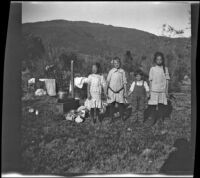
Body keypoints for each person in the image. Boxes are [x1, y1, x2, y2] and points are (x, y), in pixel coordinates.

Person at [148, 52, 170, 125]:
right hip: (154, 91)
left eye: (160, 59)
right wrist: (150, 91)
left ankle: (161, 119)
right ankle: (153, 119)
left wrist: (166, 91)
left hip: (162, 91)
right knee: (153, 106)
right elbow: (150, 81)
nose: (159, 61)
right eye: (157, 59)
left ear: (162, 60)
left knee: (161, 106)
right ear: (155, 60)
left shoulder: (165, 69)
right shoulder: (152, 69)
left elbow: (167, 80)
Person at [106, 57, 127, 122]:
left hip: (120, 91)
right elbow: (107, 82)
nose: (116, 64)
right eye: (115, 63)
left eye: (117, 63)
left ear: (120, 63)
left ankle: (122, 118)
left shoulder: (122, 71)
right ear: (113, 64)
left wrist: (125, 92)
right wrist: (106, 92)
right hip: (111, 91)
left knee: (121, 105)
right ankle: (111, 118)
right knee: (112, 105)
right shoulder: (111, 71)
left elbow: (124, 82)